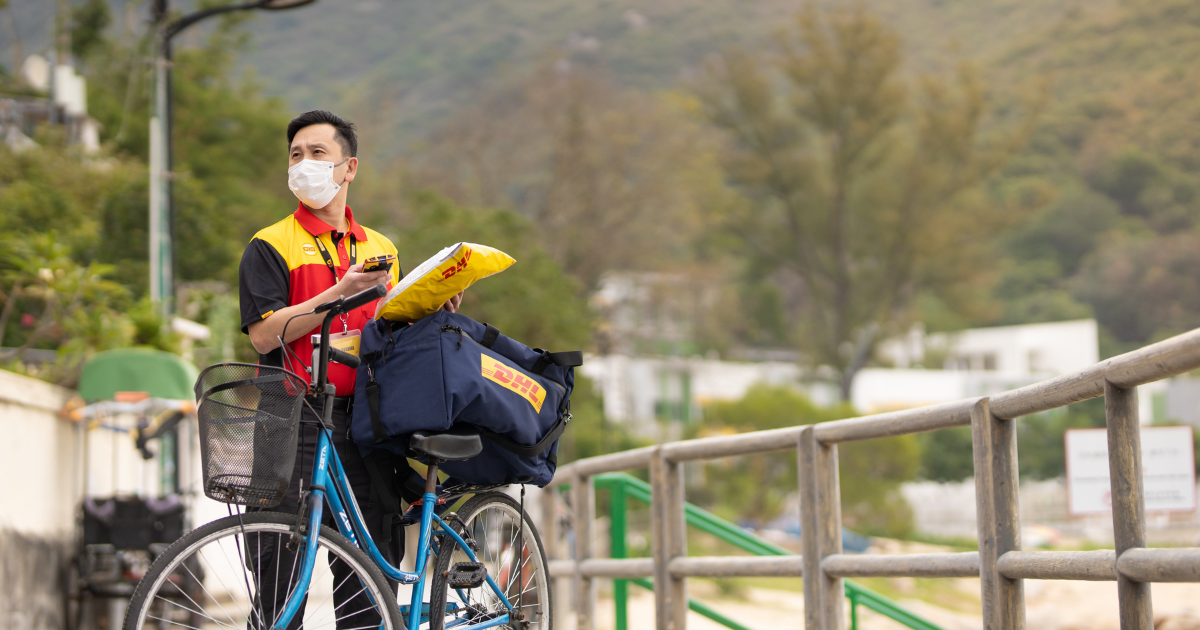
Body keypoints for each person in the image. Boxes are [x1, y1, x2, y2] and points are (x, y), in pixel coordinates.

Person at [238, 110, 461, 626]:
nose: (304, 164)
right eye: (296, 154)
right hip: (288, 416)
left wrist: (434, 305)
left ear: (348, 167)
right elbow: (264, 334)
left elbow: (391, 332)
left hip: (364, 421)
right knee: (277, 579)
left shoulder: (381, 249)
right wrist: (337, 295)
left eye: (318, 153)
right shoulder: (271, 244)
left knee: (368, 582)